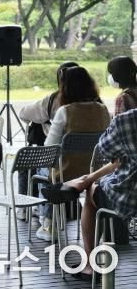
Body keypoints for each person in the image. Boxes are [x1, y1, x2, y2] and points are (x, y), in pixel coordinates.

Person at [59, 109, 137, 281]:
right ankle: (87, 179)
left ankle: (90, 266)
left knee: (91, 195)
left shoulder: (126, 120)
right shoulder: (102, 109)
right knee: (94, 184)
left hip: (130, 199)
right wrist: (91, 177)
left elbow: (107, 152)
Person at [35, 66, 110, 241]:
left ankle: (48, 223)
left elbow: (49, 147)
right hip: (96, 173)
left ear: (65, 88)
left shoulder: (65, 112)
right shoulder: (103, 110)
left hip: (66, 173)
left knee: (41, 171)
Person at [16, 61, 79, 222]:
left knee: (25, 164)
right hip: (90, 166)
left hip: (61, 165)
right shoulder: (99, 107)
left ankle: (30, 211)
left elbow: (24, 114)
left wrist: (44, 122)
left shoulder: (54, 102)